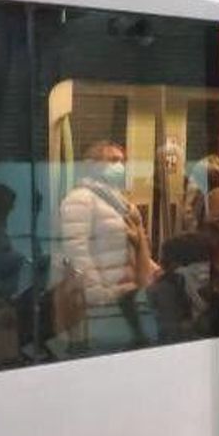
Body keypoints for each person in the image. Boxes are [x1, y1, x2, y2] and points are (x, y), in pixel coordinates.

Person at [58, 141, 155, 351]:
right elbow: (77, 249)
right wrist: (96, 291)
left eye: (121, 161)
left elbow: (134, 243)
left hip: (127, 294)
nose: (119, 166)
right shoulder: (79, 200)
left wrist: (150, 273)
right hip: (104, 299)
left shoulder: (120, 200)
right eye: (112, 160)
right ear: (92, 165)